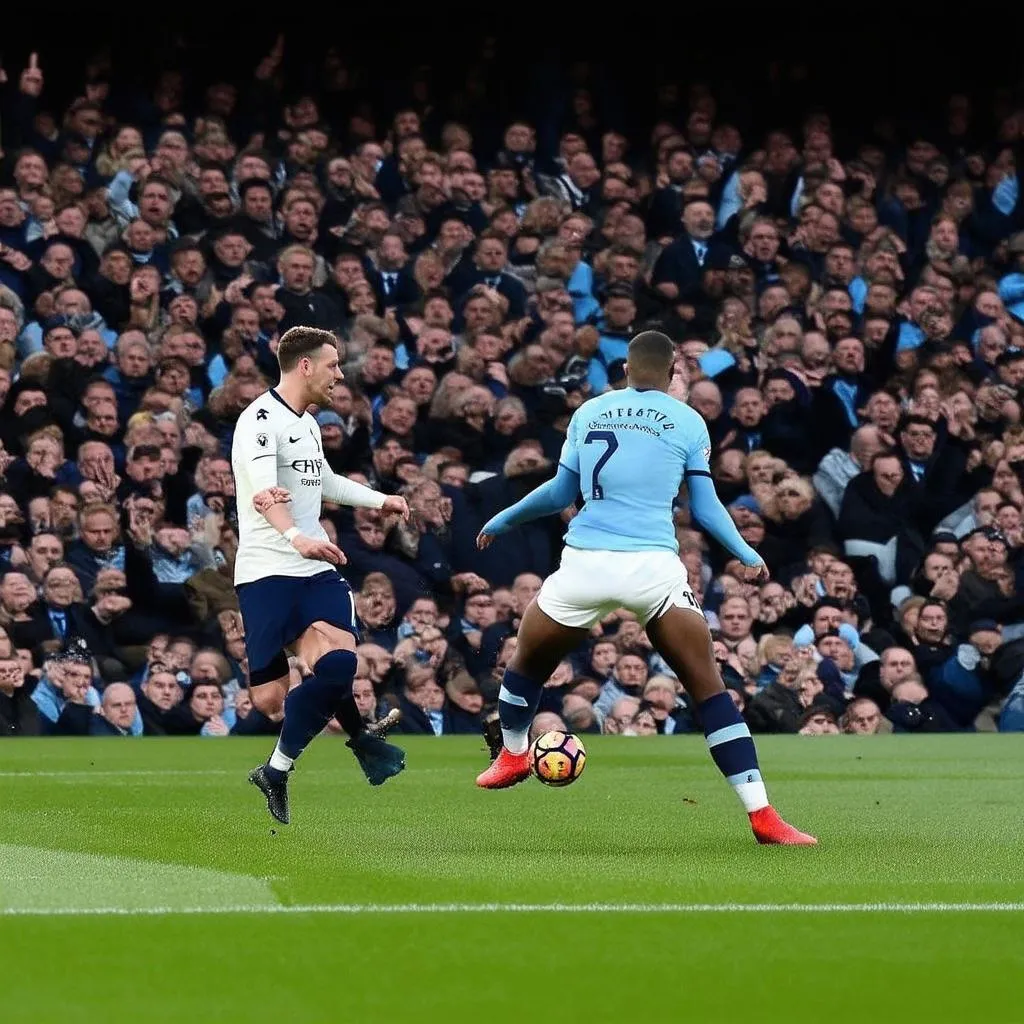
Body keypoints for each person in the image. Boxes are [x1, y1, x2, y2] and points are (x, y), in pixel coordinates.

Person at [475, 331, 816, 845]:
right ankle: (763, 816)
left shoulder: (590, 412)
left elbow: (560, 492)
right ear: (674, 366)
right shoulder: (687, 420)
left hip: (585, 562)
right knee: (708, 689)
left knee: (526, 660)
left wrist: (505, 517)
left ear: (626, 368)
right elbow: (702, 508)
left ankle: (513, 753)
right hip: (652, 567)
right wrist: (744, 551)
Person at [231, 325, 411, 824]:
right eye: (332, 365)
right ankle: (359, 736)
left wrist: (381, 500)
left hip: (314, 569)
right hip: (267, 572)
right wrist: (297, 538)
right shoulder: (260, 421)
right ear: (305, 365)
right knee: (270, 701)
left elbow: (323, 478)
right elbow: (266, 494)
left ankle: (277, 770)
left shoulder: (307, 423)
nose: (339, 374)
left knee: (338, 667)